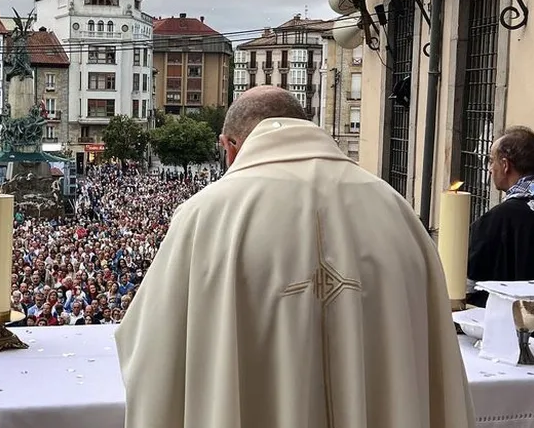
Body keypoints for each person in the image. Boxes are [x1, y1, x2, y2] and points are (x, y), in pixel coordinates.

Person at [114, 86, 475, 428]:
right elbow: (434, 358)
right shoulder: (395, 209)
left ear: (229, 147)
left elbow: (152, 353)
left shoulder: (206, 216)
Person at [466, 126, 534, 307]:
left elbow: (467, 286)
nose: (490, 169)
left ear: (505, 165)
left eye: (491, 161)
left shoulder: (494, 221)